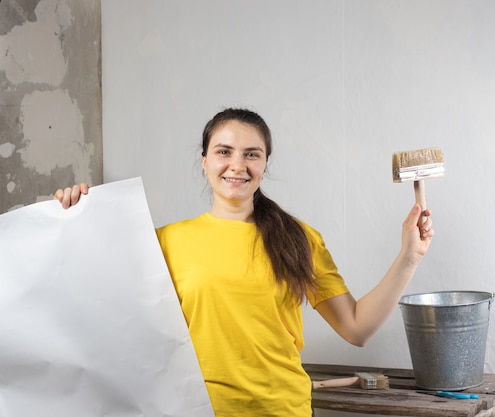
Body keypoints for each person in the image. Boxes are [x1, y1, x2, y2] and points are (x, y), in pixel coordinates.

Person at [55, 108, 434, 417]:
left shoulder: (299, 239)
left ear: (264, 164)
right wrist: (75, 220)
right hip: (195, 410)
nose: (237, 164)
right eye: (224, 151)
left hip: (283, 409)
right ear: (204, 161)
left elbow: (357, 328)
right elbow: (98, 305)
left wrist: (409, 256)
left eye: (252, 154)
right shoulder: (164, 242)